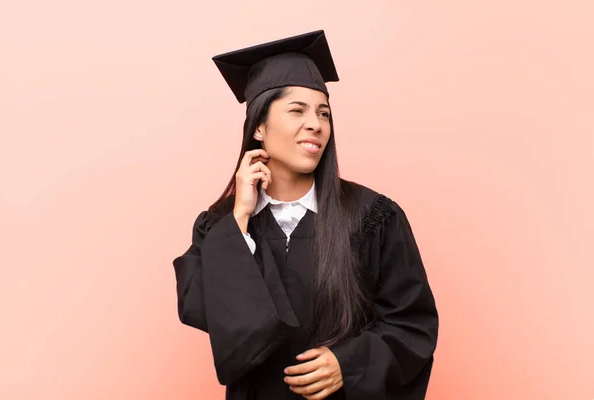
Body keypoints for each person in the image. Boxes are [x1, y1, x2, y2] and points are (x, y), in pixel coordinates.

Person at [172, 30, 439, 400]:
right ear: (259, 128)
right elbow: (204, 311)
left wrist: (348, 363)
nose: (315, 123)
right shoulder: (219, 226)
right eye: (297, 110)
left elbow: (413, 325)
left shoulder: (372, 217)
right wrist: (240, 222)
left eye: (323, 113)